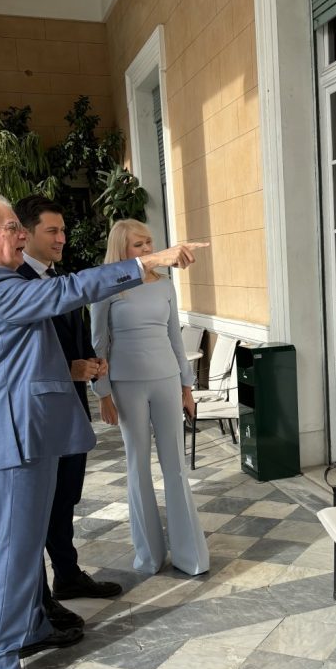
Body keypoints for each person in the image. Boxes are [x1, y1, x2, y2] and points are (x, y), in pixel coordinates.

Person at [0, 193, 204, 669]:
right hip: (17, 438)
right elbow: (69, 290)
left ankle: (33, 627)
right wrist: (147, 262)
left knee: (25, 548)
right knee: (15, 552)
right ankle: (0, 663)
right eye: (12, 227)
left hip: (30, 433)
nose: (21, 234)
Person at [14, 195, 122, 630]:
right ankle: (39, 602)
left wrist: (92, 364)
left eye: (63, 230)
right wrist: (67, 369)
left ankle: (68, 575)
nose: (62, 238)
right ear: (25, 234)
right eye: (52, 231)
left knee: (65, 499)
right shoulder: (15, 284)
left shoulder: (58, 278)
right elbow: (21, 359)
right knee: (41, 507)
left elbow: (74, 336)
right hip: (40, 418)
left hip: (72, 410)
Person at [91, 220, 209, 577]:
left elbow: (175, 339)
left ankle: (190, 555)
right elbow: (98, 344)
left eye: (149, 243)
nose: (147, 250)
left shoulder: (166, 286)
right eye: (138, 245)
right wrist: (103, 393)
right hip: (126, 384)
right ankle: (149, 556)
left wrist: (187, 388)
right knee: (137, 466)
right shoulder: (106, 287)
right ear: (121, 249)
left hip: (167, 380)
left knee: (175, 465)